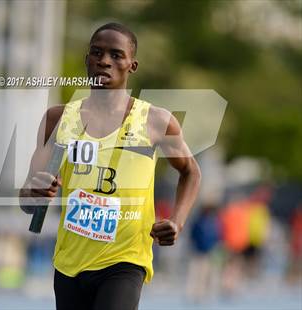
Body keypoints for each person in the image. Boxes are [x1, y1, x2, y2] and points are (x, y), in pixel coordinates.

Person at [20, 23, 201, 310]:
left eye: (116, 55)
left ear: (132, 65)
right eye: (97, 53)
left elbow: (191, 171)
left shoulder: (155, 121)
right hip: (70, 262)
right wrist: (34, 192)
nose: (104, 61)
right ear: (87, 60)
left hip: (125, 260)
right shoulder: (58, 119)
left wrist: (177, 220)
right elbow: (27, 201)